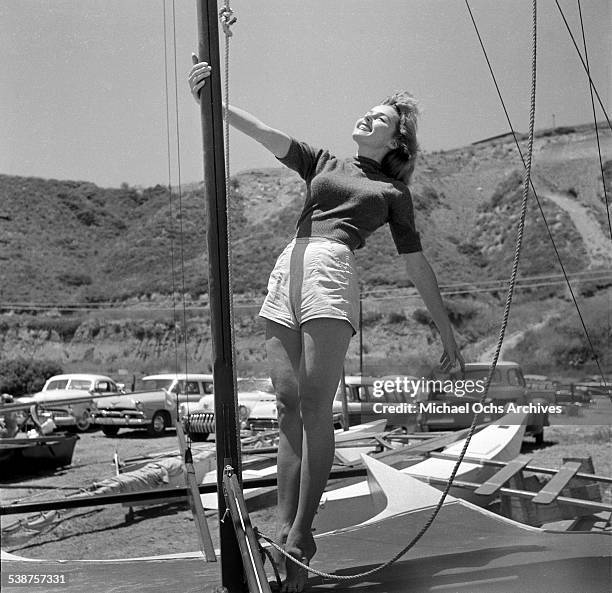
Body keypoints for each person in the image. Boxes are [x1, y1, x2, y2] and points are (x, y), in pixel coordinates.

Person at [189, 57, 464, 593]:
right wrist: (212, 103)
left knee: (315, 407)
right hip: (286, 268)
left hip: (330, 272)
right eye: (367, 111)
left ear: (396, 144)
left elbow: (416, 265)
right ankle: (286, 528)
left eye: (379, 118)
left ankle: (301, 534)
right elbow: (269, 135)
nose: (366, 117)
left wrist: (446, 333)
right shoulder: (323, 161)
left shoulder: (392, 195)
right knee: (288, 406)